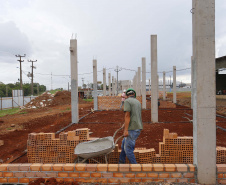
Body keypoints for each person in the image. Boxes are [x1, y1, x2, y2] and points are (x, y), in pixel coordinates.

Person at [119, 88, 143, 164]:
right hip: (137, 127)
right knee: (123, 145)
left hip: (132, 129)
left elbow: (127, 115)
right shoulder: (138, 102)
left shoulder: (127, 101)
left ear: (127, 95)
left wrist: (126, 130)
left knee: (128, 150)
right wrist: (125, 124)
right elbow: (134, 115)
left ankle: (135, 167)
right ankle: (121, 162)